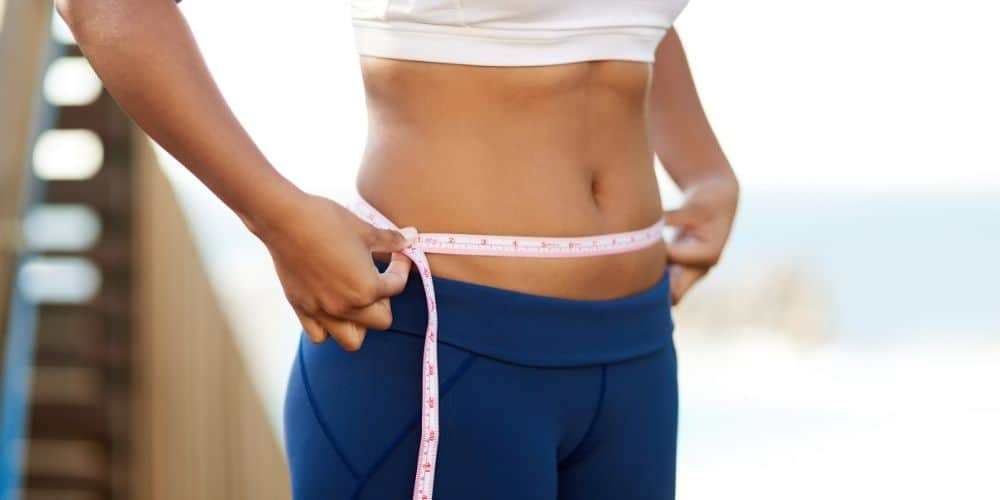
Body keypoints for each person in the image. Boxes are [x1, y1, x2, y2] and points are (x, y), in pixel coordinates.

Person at [57, 0, 738, 498]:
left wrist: (707, 172)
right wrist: (274, 216)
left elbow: (621, 24)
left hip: (636, 353)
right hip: (440, 347)